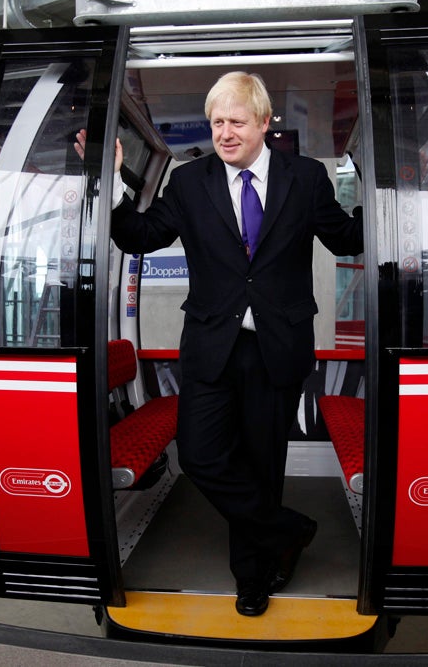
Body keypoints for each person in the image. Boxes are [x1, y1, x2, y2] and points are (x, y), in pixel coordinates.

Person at [77, 71, 363, 616]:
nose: (225, 133)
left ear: (262, 121)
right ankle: (289, 530)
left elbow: (345, 236)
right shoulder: (189, 182)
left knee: (260, 465)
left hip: (276, 348)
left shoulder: (305, 179)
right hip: (212, 346)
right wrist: (112, 181)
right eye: (216, 123)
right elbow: (141, 236)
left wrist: (386, 202)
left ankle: (252, 577)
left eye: (235, 121)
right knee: (203, 457)